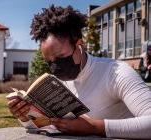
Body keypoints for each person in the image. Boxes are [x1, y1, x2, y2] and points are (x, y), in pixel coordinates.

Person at [8, 5, 151, 139]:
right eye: (49, 62)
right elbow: (49, 127)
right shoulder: (56, 83)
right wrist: (25, 116)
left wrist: (94, 127)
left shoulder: (116, 73)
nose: (55, 67)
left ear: (79, 45)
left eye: (60, 57)